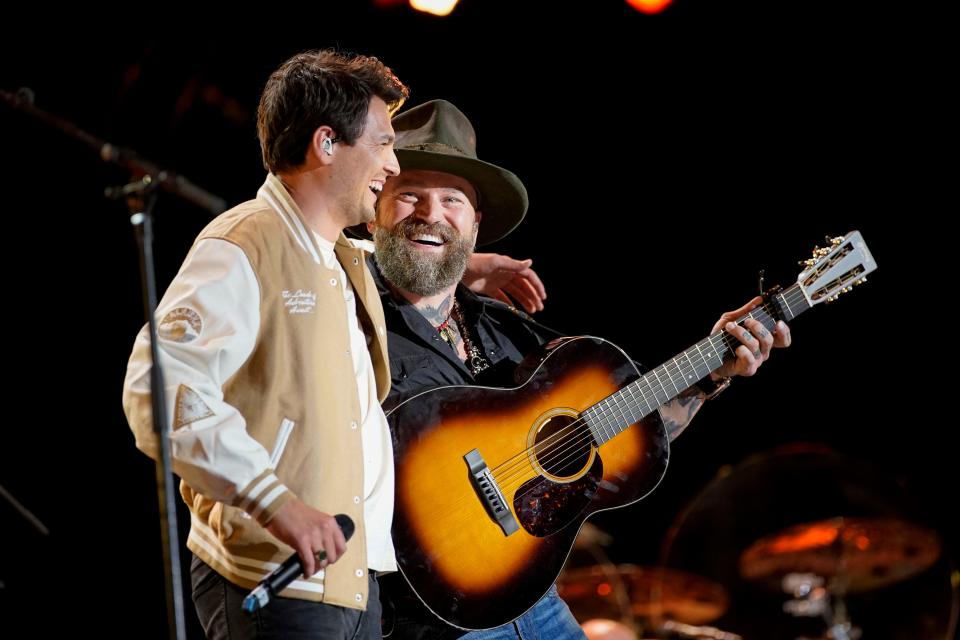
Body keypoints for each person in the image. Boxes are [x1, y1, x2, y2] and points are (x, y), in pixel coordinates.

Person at [364, 100, 792, 639]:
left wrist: (711, 374)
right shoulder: (349, 314)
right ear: (373, 205)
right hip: (424, 616)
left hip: (534, 598)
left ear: (476, 224)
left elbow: (629, 428)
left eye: (452, 200)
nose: (431, 214)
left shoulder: (507, 330)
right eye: (411, 195)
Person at [122, 49, 410, 639]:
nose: (395, 163)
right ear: (326, 143)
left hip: (350, 588)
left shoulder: (336, 259)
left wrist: (469, 266)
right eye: (382, 143)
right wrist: (275, 501)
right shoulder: (245, 242)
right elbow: (158, 388)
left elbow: (392, 261)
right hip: (276, 579)